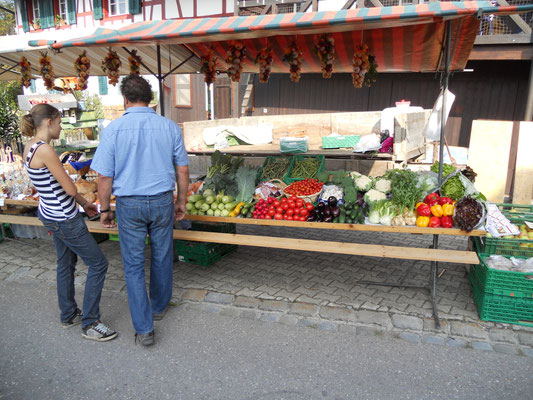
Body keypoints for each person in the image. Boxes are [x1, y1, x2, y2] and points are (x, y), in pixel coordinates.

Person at [91, 75, 189, 346]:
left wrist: (104, 209)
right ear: (150, 98)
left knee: (133, 265)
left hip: (129, 203)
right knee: (161, 255)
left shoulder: (113, 129)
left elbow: (104, 177)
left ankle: (144, 329)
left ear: (125, 98)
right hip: (161, 201)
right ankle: (158, 307)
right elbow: (182, 169)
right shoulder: (169, 127)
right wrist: (181, 201)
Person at [20, 104, 117, 342]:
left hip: (49, 213)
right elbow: (69, 187)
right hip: (64, 218)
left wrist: (85, 204)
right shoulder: (45, 150)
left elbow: (55, 186)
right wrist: (81, 200)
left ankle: (69, 313)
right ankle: (91, 323)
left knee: (66, 263)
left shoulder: (29, 146)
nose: (61, 127)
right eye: (60, 122)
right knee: (98, 264)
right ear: (49, 121)